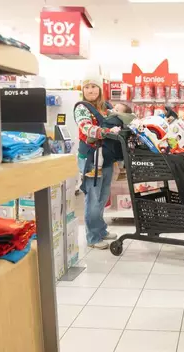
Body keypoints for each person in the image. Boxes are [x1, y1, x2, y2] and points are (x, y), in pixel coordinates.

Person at [74, 77, 118, 250]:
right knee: (93, 198)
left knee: (103, 196)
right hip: (91, 158)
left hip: (106, 156)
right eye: (87, 87)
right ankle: (93, 237)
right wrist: (107, 131)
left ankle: (100, 229)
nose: (91, 90)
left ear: (100, 89)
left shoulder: (106, 106)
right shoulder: (81, 108)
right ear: (83, 90)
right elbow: (86, 127)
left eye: (94, 87)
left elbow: (118, 118)